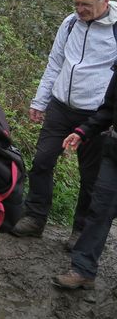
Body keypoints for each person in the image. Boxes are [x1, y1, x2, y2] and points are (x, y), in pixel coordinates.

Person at [12, 0, 117, 250]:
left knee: (90, 176)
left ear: (105, 1)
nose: (79, 9)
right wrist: (40, 101)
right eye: (76, 3)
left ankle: (80, 230)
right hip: (60, 105)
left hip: (97, 113)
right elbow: (55, 61)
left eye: (86, 5)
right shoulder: (70, 23)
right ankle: (35, 218)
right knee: (43, 161)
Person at [53, 66, 117, 290]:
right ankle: (83, 269)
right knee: (100, 208)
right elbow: (108, 109)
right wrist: (83, 131)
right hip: (114, 152)